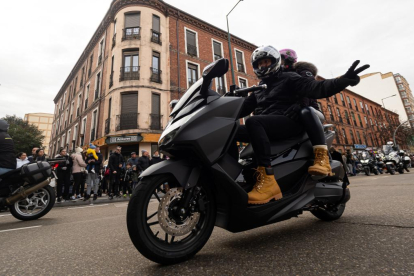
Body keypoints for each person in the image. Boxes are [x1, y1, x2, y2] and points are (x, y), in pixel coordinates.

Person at [231, 45, 368, 204]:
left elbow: (317, 88)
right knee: (230, 130)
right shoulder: (258, 89)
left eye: (266, 62)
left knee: (252, 121)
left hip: (289, 122)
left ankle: (268, 182)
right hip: (266, 125)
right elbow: (240, 109)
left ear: (276, 62)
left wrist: (343, 80)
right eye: (260, 64)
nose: (263, 66)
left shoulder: (290, 77)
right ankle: (234, 174)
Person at [280, 48, 332, 176]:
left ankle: (322, 158)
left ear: (289, 60)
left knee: (306, 111)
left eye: (281, 59)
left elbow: (307, 90)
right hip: (293, 111)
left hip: (312, 111)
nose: (278, 63)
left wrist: (300, 105)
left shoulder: (303, 72)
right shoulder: (280, 76)